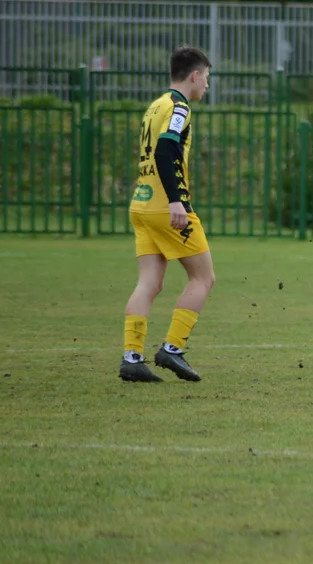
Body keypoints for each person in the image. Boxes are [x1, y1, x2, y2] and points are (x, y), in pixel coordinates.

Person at [119, 46, 216, 383]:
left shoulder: (155, 105)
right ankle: (172, 348)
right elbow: (166, 148)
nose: (207, 85)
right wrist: (177, 201)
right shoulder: (178, 106)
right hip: (166, 206)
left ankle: (132, 357)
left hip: (141, 204)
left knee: (149, 282)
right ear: (194, 75)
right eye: (206, 78)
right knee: (203, 278)